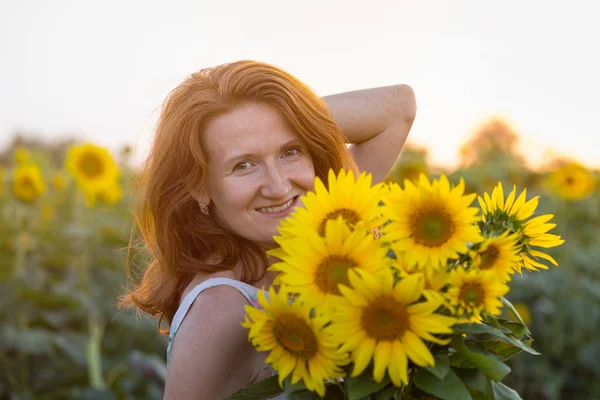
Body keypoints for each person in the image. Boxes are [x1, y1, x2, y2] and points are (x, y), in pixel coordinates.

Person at [120, 60, 416, 399]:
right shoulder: (221, 308)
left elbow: (398, 108)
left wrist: (285, 115)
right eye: (244, 165)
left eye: (290, 151)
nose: (278, 187)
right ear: (199, 187)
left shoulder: (326, 230)